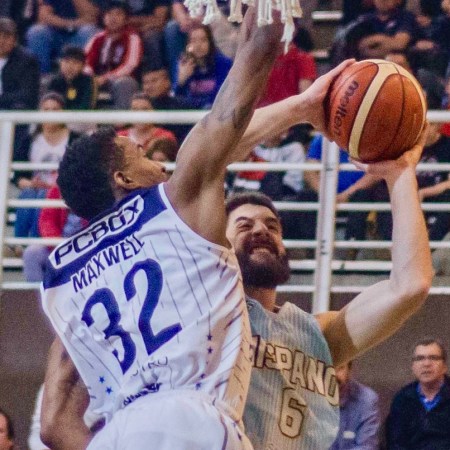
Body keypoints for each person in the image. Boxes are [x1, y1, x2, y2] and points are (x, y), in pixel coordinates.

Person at [40, 6, 286, 449]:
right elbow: (234, 103)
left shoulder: (64, 273)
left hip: (118, 431)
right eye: (139, 154)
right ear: (124, 179)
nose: (156, 161)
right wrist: (268, 19)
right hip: (192, 413)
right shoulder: (174, 204)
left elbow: (53, 424)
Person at [222, 136, 433, 448]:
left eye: (272, 226)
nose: (261, 230)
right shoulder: (209, 318)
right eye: (244, 225)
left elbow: (411, 286)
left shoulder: (317, 333)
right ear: (219, 247)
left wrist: (400, 175)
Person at [386, 338, 450, 449]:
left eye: (433, 358)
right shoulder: (402, 399)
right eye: (420, 358)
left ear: (444, 366)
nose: (426, 364)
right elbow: (396, 443)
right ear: (413, 367)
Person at [85, 1, 142, 109]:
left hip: (122, 79)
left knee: (124, 83)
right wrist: (91, 77)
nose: (113, 18)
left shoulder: (132, 38)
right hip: (97, 79)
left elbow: (130, 64)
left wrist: (106, 78)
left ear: (126, 19)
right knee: (83, 81)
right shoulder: (97, 38)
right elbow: (86, 61)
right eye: (109, 14)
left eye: (118, 14)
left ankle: (122, 118)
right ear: (103, 17)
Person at [26, 0, 99, 74]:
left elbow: (92, 18)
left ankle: (80, 76)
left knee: (89, 31)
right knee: (37, 31)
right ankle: (41, 76)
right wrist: (68, 24)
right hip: (54, 34)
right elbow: (43, 17)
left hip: (79, 36)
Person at [174, 24, 232, 109]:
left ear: (210, 43)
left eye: (203, 40)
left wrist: (197, 104)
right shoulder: (184, 64)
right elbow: (177, 99)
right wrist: (181, 81)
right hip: (190, 113)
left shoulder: (223, 63)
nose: (198, 45)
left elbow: (220, 96)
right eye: (193, 40)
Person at [330, 361, 381, 450]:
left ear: (349, 371)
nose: (333, 374)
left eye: (340, 368)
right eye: (327, 367)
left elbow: (366, 446)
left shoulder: (366, 399)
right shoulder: (307, 397)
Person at [47, 45, 96, 110]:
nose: (70, 67)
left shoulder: (87, 81)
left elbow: (85, 106)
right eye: (66, 61)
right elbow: (47, 104)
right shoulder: (54, 81)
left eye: (75, 63)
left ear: (83, 66)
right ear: (60, 63)